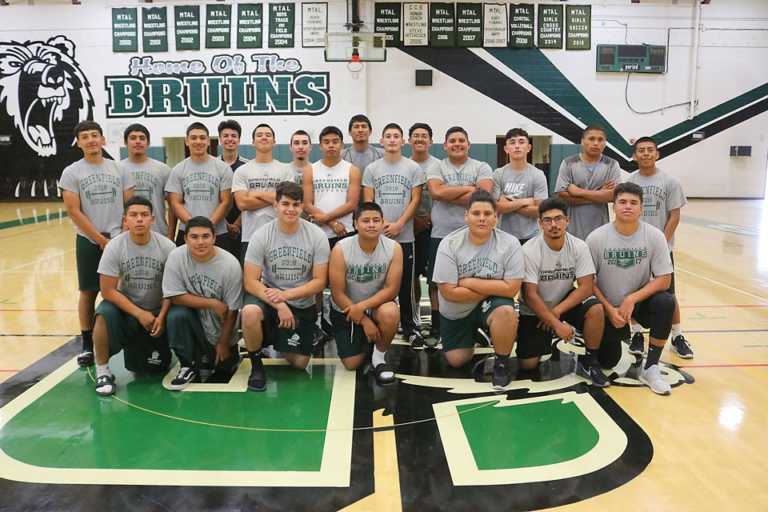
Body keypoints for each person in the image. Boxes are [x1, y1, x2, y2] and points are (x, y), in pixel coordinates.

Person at [586, 182, 676, 395]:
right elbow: (589, 283)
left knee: (666, 301)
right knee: (608, 361)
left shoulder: (654, 236)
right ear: (613, 206)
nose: (628, 206)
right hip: (608, 307)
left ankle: (651, 367)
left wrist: (632, 299)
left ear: (641, 207)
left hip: (636, 304)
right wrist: (609, 308)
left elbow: (664, 279)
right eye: (622, 202)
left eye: (633, 203)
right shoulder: (596, 238)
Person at [59, 120, 135, 367]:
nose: (91, 140)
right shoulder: (72, 172)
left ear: (103, 139)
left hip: (118, 239)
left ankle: (128, 337)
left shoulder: (119, 169)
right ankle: (86, 342)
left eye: (95, 135)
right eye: (85, 137)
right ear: (79, 143)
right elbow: (74, 211)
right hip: (89, 240)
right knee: (88, 292)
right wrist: (100, 239)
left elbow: (130, 206)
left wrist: (120, 234)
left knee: (124, 290)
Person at [241, 182, 330, 390]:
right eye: (285, 204)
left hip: (299, 301)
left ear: (302, 207)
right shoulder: (261, 235)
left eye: (296, 204)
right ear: (275, 205)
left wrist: (286, 296)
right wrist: (280, 303)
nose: (290, 209)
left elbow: (319, 281)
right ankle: (256, 364)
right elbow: (250, 281)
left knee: (299, 364)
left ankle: (276, 336)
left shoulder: (316, 236)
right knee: (250, 313)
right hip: (269, 297)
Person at [432, 190, 523, 389]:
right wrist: (495, 287)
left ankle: (501, 364)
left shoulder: (510, 243)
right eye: (476, 213)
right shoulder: (449, 244)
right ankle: (479, 332)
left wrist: (469, 282)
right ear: (466, 216)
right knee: (457, 361)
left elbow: (512, 289)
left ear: (496, 218)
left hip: (490, 304)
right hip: (457, 311)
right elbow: (449, 293)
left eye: (487, 214)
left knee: (506, 312)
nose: (482, 218)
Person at [92, 196, 176, 396]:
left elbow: (173, 289)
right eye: (134, 215)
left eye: (144, 215)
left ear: (153, 219)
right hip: (128, 311)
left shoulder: (167, 247)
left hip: (158, 313)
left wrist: (161, 317)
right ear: (125, 220)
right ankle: (102, 371)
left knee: (155, 367)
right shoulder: (114, 247)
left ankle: (187, 362)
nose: (139, 219)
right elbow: (107, 291)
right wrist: (139, 314)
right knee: (103, 312)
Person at [519, 198, 608, 386]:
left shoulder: (579, 246)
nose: (554, 225)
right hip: (535, 307)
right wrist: (555, 323)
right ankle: (552, 332)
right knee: (528, 365)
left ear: (567, 221)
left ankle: (590, 361)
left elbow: (586, 286)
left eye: (558, 219)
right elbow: (530, 294)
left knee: (596, 309)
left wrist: (557, 313)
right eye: (547, 220)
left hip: (563, 302)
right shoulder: (529, 250)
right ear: (539, 223)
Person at [626, 137, 693, 359]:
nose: (645, 154)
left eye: (650, 150)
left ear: (657, 154)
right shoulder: (630, 182)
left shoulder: (670, 181)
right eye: (641, 151)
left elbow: (675, 215)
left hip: (662, 249)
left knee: (668, 294)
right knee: (633, 290)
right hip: (635, 249)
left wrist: (661, 244)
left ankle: (677, 336)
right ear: (635, 156)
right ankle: (636, 333)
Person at [363, 123, 426, 347]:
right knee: (377, 282)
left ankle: (410, 326)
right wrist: (380, 224)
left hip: (404, 235)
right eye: (388, 136)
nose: (392, 140)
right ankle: (374, 320)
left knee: (406, 284)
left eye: (396, 136)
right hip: (378, 237)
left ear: (403, 141)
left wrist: (399, 223)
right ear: (381, 140)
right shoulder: (372, 169)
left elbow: (416, 199)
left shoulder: (413, 168)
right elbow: (369, 201)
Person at [162, 216, 243, 390]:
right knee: (176, 315)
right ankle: (186, 364)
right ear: (185, 238)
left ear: (214, 238)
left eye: (205, 236)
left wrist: (223, 342)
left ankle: (222, 354)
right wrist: (212, 303)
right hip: (195, 324)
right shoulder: (176, 257)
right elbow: (174, 296)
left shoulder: (230, 265)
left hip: (221, 330)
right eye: (194, 237)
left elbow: (233, 310)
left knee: (224, 369)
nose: (200, 242)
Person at [427, 126, 494, 336]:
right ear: (445, 145)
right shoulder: (436, 167)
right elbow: (436, 192)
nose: (457, 144)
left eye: (461, 140)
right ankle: (438, 323)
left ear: (468, 144)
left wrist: (449, 192)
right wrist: (469, 189)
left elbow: (483, 195)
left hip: (475, 234)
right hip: (441, 233)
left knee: (478, 277)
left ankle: (478, 320)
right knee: (437, 281)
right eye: (452, 140)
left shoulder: (482, 166)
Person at [329, 202, 403, 384]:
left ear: (383, 222)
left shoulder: (394, 248)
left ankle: (379, 358)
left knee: (390, 313)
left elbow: (391, 289)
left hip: (375, 306)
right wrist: (364, 320)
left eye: (376, 220)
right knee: (351, 363)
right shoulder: (341, 249)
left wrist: (362, 308)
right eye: (366, 221)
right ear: (355, 224)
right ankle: (369, 340)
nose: (371, 224)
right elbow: (337, 294)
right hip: (346, 308)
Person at [303, 126, 362, 340]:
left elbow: (353, 203)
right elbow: (307, 203)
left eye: (335, 141)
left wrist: (331, 221)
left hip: (344, 232)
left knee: (343, 282)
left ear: (341, 144)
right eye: (326, 141)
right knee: (316, 282)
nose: (331, 145)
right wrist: (331, 223)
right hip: (318, 234)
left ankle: (343, 321)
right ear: (320, 145)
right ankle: (317, 323)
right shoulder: (311, 169)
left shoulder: (351, 170)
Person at [232, 123, 294, 261]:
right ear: (253, 142)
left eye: (268, 135)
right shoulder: (242, 171)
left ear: (274, 142)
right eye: (259, 135)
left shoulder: (285, 170)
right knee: (250, 280)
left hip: (281, 235)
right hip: (251, 237)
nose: (264, 137)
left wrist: (255, 194)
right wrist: (275, 198)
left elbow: (288, 201)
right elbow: (242, 203)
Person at [165, 122, 233, 247]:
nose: (198, 141)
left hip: (218, 232)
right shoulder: (178, 169)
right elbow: (175, 202)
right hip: (187, 231)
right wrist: (193, 226)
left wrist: (209, 226)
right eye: (193, 138)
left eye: (202, 138)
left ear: (208, 141)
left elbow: (226, 201)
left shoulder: (223, 169)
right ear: (187, 141)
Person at [555, 125, 622, 240]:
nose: (596, 143)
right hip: (572, 230)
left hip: (601, 229)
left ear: (605, 143)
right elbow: (561, 196)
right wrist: (600, 193)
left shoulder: (612, 164)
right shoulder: (568, 163)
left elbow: (613, 195)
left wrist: (578, 191)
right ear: (582, 141)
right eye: (591, 139)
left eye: (600, 140)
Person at [409, 122, 441, 341]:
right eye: (416, 136)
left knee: (435, 279)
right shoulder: (403, 165)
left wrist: (429, 218)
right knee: (411, 278)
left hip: (435, 228)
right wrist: (412, 221)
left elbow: (443, 196)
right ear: (409, 140)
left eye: (424, 136)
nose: (420, 139)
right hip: (409, 229)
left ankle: (438, 323)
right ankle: (415, 320)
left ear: (431, 141)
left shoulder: (439, 166)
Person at [493, 128, 548, 245]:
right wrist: (527, 201)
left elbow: (540, 211)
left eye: (521, 142)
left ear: (528, 148)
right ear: (506, 149)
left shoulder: (538, 175)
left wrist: (508, 203)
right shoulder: (498, 173)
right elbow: (496, 207)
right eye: (512, 142)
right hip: (503, 235)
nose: (517, 146)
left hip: (531, 237)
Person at [120, 123, 175, 239]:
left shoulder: (163, 169)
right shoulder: (117, 169)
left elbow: (173, 206)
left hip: (158, 233)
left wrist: (170, 235)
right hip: (127, 235)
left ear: (148, 143)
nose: (138, 141)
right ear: (126, 143)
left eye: (142, 138)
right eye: (133, 138)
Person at [217, 120, 248, 258]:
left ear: (239, 139)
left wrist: (236, 224)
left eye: (234, 136)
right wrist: (224, 223)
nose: (230, 139)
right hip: (218, 226)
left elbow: (249, 199)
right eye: (226, 135)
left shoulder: (248, 166)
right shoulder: (212, 165)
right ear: (220, 139)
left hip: (244, 227)